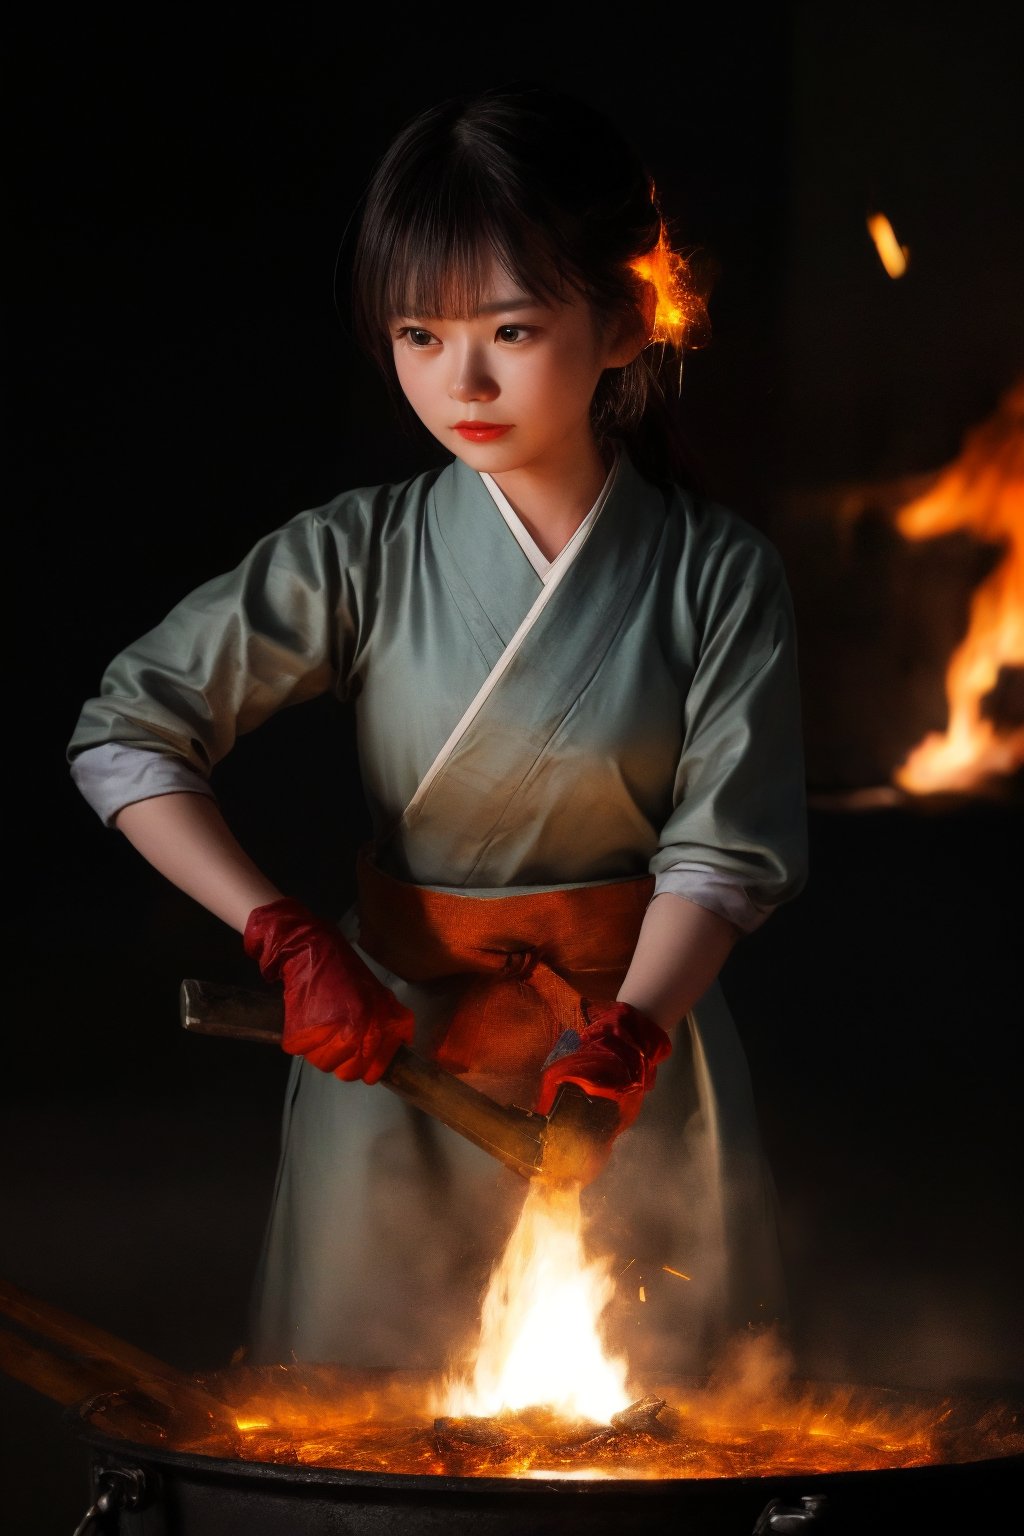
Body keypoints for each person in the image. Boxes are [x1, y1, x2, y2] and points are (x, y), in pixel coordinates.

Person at [67, 82, 808, 1379]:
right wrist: (285, 937)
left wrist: (629, 1039)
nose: (458, 380)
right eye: (418, 334)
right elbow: (126, 735)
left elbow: (722, 854)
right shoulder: (359, 553)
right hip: (393, 1047)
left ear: (628, 319)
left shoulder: (715, 572)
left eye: (511, 329)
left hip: (622, 1063)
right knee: (351, 1441)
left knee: (667, 1427)